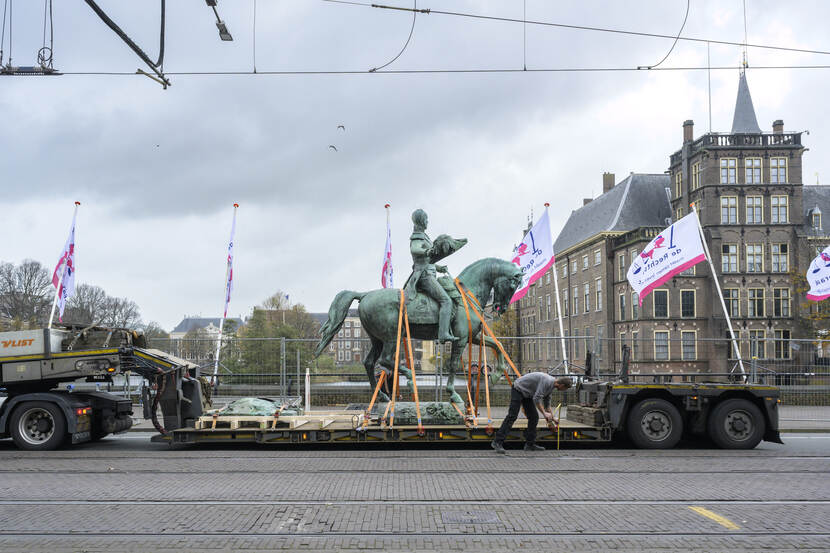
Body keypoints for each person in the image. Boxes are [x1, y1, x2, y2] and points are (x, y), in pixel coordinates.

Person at [403, 209, 465, 343]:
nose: (427, 222)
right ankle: (443, 334)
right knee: (446, 301)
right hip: (424, 276)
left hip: (429, 272)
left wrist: (438, 267)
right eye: (426, 219)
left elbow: (426, 261)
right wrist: (427, 250)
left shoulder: (424, 236)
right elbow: (415, 249)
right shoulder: (417, 236)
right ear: (421, 220)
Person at [491, 373, 573, 453]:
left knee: (534, 417)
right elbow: (537, 399)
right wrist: (544, 413)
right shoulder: (547, 381)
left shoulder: (551, 387)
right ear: (562, 385)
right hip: (518, 389)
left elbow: (547, 404)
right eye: (565, 389)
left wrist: (553, 418)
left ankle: (530, 445)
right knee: (512, 416)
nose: (563, 391)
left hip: (528, 395)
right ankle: (497, 442)